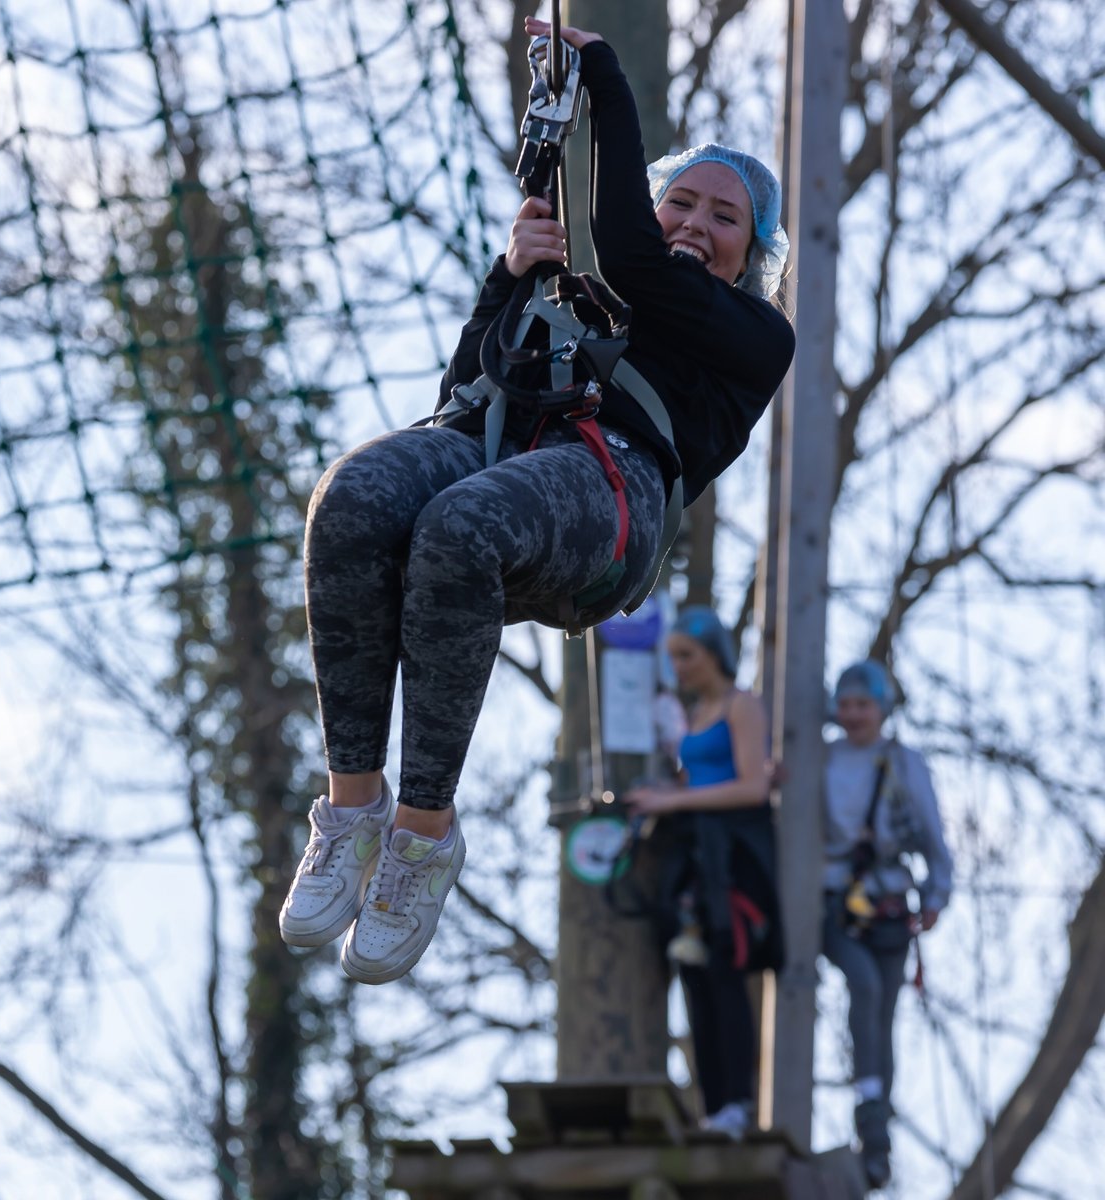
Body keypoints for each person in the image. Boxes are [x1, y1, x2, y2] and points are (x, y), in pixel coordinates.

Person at [278, 16, 796, 986]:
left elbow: (639, 258)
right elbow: (466, 389)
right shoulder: (581, 294)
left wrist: (601, 77)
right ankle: (352, 809)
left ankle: (423, 838)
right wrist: (509, 275)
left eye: (724, 218)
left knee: (460, 528)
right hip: (502, 449)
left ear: (753, 253)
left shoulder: (754, 334)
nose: (696, 223)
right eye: (680, 201)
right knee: (353, 498)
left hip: (614, 500)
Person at [625, 608, 783, 1138]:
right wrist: (661, 798)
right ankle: (714, 1106)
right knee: (691, 969)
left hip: (733, 857)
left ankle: (738, 1101)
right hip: (694, 855)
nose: (680, 667)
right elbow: (695, 782)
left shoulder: (743, 707)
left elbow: (751, 787)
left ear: (714, 653)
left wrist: (678, 802)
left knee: (724, 969)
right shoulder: (693, 714)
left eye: (686, 656)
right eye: (673, 658)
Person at [822, 660, 954, 1188]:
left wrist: (937, 893)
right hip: (832, 899)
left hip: (888, 902)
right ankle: (868, 1113)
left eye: (863, 705)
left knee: (884, 1010)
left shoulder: (904, 763)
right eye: (845, 704)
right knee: (864, 985)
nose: (853, 715)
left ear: (882, 709)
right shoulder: (820, 757)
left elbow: (931, 834)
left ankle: (877, 1132)